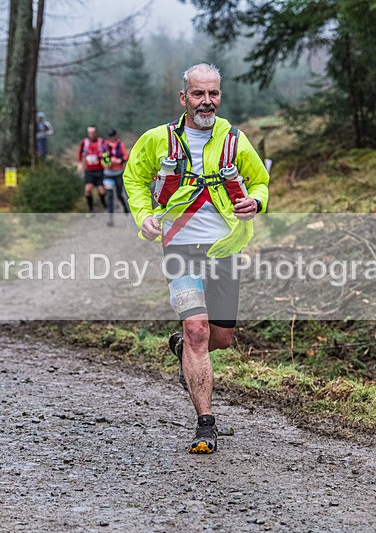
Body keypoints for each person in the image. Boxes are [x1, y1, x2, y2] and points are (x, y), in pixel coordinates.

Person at [124, 63, 269, 453]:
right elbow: (134, 178)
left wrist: (255, 201)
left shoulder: (235, 140)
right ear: (183, 97)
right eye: (199, 94)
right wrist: (145, 215)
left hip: (225, 248)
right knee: (198, 332)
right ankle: (205, 424)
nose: (207, 102)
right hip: (180, 248)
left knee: (220, 337)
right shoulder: (158, 140)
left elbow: (260, 181)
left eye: (214, 94)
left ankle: (181, 346)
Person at [76, 125, 107, 216]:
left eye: (93, 132)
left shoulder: (102, 142)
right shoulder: (84, 142)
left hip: (100, 170)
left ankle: (104, 203)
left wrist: (101, 156)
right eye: (89, 132)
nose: (91, 134)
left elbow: (107, 153)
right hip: (89, 171)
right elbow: (80, 153)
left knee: (101, 191)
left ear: (96, 133)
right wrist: (80, 164)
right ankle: (90, 209)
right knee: (88, 190)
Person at [102, 128, 130, 226]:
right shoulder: (104, 145)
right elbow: (102, 157)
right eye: (109, 136)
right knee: (109, 196)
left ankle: (124, 206)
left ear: (115, 136)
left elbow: (126, 157)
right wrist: (107, 161)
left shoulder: (120, 145)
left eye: (112, 136)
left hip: (118, 173)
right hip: (108, 173)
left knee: (119, 194)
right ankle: (110, 218)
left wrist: (119, 160)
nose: (111, 138)